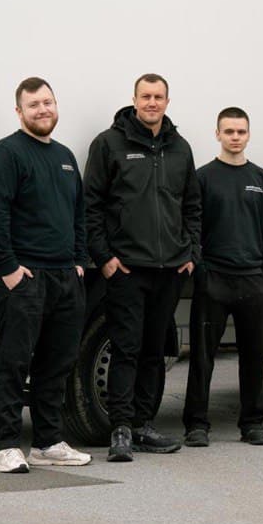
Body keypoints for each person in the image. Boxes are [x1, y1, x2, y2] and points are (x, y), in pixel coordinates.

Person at [84, 73, 201, 461]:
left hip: (170, 270)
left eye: (158, 97)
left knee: (154, 351)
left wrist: (191, 253)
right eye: (146, 96)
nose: (152, 103)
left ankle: (142, 425)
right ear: (134, 100)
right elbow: (91, 205)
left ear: (167, 101)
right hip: (127, 269)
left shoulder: (180, 148)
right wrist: (104, 258)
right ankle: (120, 429)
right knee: (126, 348)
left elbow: (192, 205)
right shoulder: (109, 144)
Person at [0, 76, 92, 473]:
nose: (42, 110)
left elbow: (79, 213)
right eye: (33, 105)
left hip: (65, 277)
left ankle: (48, 442)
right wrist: (9, 268)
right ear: (19, 111)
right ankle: (6, 447)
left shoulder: (65, 156)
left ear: (55, 105)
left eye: (47, 102)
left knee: (56, 365)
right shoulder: (5, 155)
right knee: (13, 363)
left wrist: (79, 261)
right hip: (25, 277)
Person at [181, 107, 263, 447]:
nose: (235, 137)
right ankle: (196, 424)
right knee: (202, 357)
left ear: (248, 135)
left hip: (254, 281)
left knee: (254, 357)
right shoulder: (203, 178)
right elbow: (192, 225)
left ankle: (252, 423)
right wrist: (201, 268)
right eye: (229, 131)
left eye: (241, 131)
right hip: (214, 280)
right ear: (217, 134)